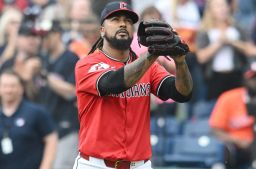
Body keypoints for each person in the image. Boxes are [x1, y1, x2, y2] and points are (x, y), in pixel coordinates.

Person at [73, 1, 193, 169]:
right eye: (115, 19)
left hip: (139, 164)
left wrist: (180, 62)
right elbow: (115, 83)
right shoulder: (87, 64)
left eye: (128, 21)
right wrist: (152, 54)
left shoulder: (148, 66)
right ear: (101, 30)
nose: (123, 24)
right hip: (95, 164)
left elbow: (182, 93)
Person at [209, 62, 256, 169]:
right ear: (245, 80)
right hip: (237, 150)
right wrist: (237, 141)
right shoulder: (229, 98)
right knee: (222, 150)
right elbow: (215, 130)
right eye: (253, 78)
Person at [39, 20, 79, 169]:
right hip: (46, 130)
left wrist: (46, 77)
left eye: (46, 36)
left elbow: (72, 92)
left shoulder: (70, 58)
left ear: (57, 34)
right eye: (41, 36)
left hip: (66, 129)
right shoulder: (43, 59)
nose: (42, 40)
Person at [0, 69, 58, 169]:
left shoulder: (36, 112)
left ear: (21, 88)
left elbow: (51, 139)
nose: (8, 90)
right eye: (4, 86)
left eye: (12, 86)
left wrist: (46, 166)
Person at [196, 0, 249, 101]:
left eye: (223, 6)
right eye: (218, 6)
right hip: (215, 77)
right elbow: (201, 57)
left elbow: (249, 49)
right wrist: (218, 43)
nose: (222, 9)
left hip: (236, 75)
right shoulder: (205, 31)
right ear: (210, 10)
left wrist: (232, 42)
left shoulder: (237, 28)